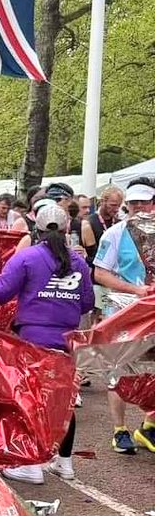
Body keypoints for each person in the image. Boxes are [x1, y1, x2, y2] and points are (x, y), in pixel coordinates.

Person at [0, 204, 94, 483]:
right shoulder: (79, 263)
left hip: (33, 340)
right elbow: (88, 303)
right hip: (66, 340)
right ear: (67, 229)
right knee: (62, 401)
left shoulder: (27, 258)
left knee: (30, 399)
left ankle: (30, 465)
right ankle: (64, 462)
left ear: (36, 229)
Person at [91, 181, 155, 453]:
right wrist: (135, 290)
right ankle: (120, 430)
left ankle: (148, 426)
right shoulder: (115, 234)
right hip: (124, 311)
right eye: (134, 203)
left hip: (152, 312)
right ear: (127, 205)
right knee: (119, 371)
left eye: (144, 202)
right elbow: (100, 273)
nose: (139, 207)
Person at [81, 185, 124, 268]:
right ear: (102, 202)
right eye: (113, 205)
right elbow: (90, 255)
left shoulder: (120, 223)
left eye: (119, 206)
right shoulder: (89, 223)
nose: (116, 209)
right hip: (97, 271)